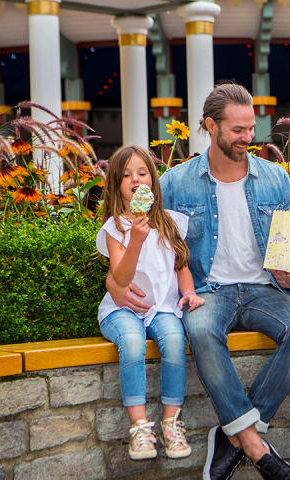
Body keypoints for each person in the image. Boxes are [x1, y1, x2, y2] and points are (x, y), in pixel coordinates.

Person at [106, 83, 290, 480]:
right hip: (207, 292)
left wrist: (288, 271)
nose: (248, 138)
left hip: (264, 290)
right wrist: (114, 284)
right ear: (210, 125)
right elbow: (148, 243)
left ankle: (234, 436)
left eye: (251, 128)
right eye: (238, 130)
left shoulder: (276, 178)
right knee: (200, 331)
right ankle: (256, 448)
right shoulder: (174, 182)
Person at [97, 145, 199, 461]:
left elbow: (181, 264)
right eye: (126, 175)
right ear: (116, 185)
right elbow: (121, 277)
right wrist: (136, 240)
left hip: (164, 307)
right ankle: (139, 427)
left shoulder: (169, 222)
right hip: (121, 309)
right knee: (131, 342)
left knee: (173, 340)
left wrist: (189, 292)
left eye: (142, 173)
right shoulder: (115, 228)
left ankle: (170, 421)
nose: (135, 180)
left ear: (153, 183)